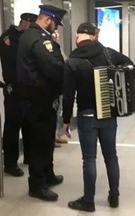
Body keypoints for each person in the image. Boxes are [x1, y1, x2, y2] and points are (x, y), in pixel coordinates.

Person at [63, 22, 134, 212]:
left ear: (78, 36)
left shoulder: (73, 61)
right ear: (93, 36)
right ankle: (114, 197)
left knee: (89, 159)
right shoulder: (108, 53)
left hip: (86, 116)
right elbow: (130, 65)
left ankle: (88, 201)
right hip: (108, 114)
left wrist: (66, 121)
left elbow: (68, 95)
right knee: (111, 156)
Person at [16, 5, 67, 201]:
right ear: (48, 20)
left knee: (46, 140)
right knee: (40, 143)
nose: (56, 28)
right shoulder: (39, 39)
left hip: (40, 97)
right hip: (39, 99)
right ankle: (37, 185)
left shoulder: (32, 35)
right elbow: (54, 68)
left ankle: (48, 175)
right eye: (55, 23)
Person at [0, 12, 37, 176]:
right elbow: (16, 61)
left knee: (29, 123)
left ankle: (29, 156)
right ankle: (10, 163)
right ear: (25, 22)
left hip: (29, 87)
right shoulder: (8, 38)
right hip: (14, 88)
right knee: (13, 126)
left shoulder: (27, 38)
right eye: (31, 26)